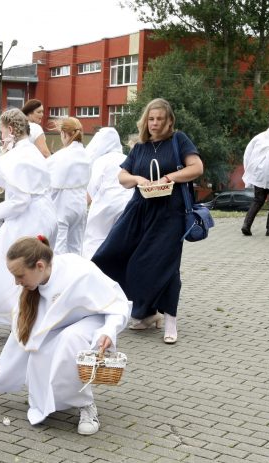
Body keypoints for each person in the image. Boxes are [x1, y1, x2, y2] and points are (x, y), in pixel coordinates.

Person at [0, 236, 131, 435]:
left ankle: (86, 405)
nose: (17, 282)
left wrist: (109, 330)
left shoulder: (80, 272)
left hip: (95, 320)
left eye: (20, 275)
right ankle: (51, 400)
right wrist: (0, 378)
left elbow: (116, 304)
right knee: (40, 351)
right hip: (64, 327)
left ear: (40, 266)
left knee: (70, 340)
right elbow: (22, 336)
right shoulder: (31, 288)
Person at [92, 98, 204, 344]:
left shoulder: (178, 140)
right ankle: (147, 313)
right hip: (138, 210)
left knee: (164, 265)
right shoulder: (140, 146)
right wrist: (138, 180)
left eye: (160, 119)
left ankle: (170, 319)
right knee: (108, 256)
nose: (155, 123)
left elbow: (196, 168)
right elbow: (122, 176)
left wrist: (168, 177)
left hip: (169, 214)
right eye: (151, 119)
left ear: (169, 120)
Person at [0, 108, 57, 326]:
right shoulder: (31, 152)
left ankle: (18, 315)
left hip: (28, 218)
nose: (1, 137)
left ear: (10, 129)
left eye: (2, 132)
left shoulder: (19, 157)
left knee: (14, 265)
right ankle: (29, 315)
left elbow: (21, 200)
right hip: (44, 213)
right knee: (36, 266)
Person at [82, 127, 134, 259]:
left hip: (106, 206)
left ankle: (95, 268)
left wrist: (81, 208)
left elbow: (92, 188)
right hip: (128, 204)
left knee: (96, 238)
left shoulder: (101, 161)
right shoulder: (126, 158)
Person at [46, 117, 91, 255]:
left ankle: (59, 275)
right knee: (76, 248)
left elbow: (46, 179)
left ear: (64, 134)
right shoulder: (86, 154)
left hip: (62, 205)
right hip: (80, 204)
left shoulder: (60, 157)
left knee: (58, 248)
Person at [241, 112, 269, 236]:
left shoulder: (258, 137)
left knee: (258, 199)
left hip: (258, 174)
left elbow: (247, 154)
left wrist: (249, 170)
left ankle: (246, 225)